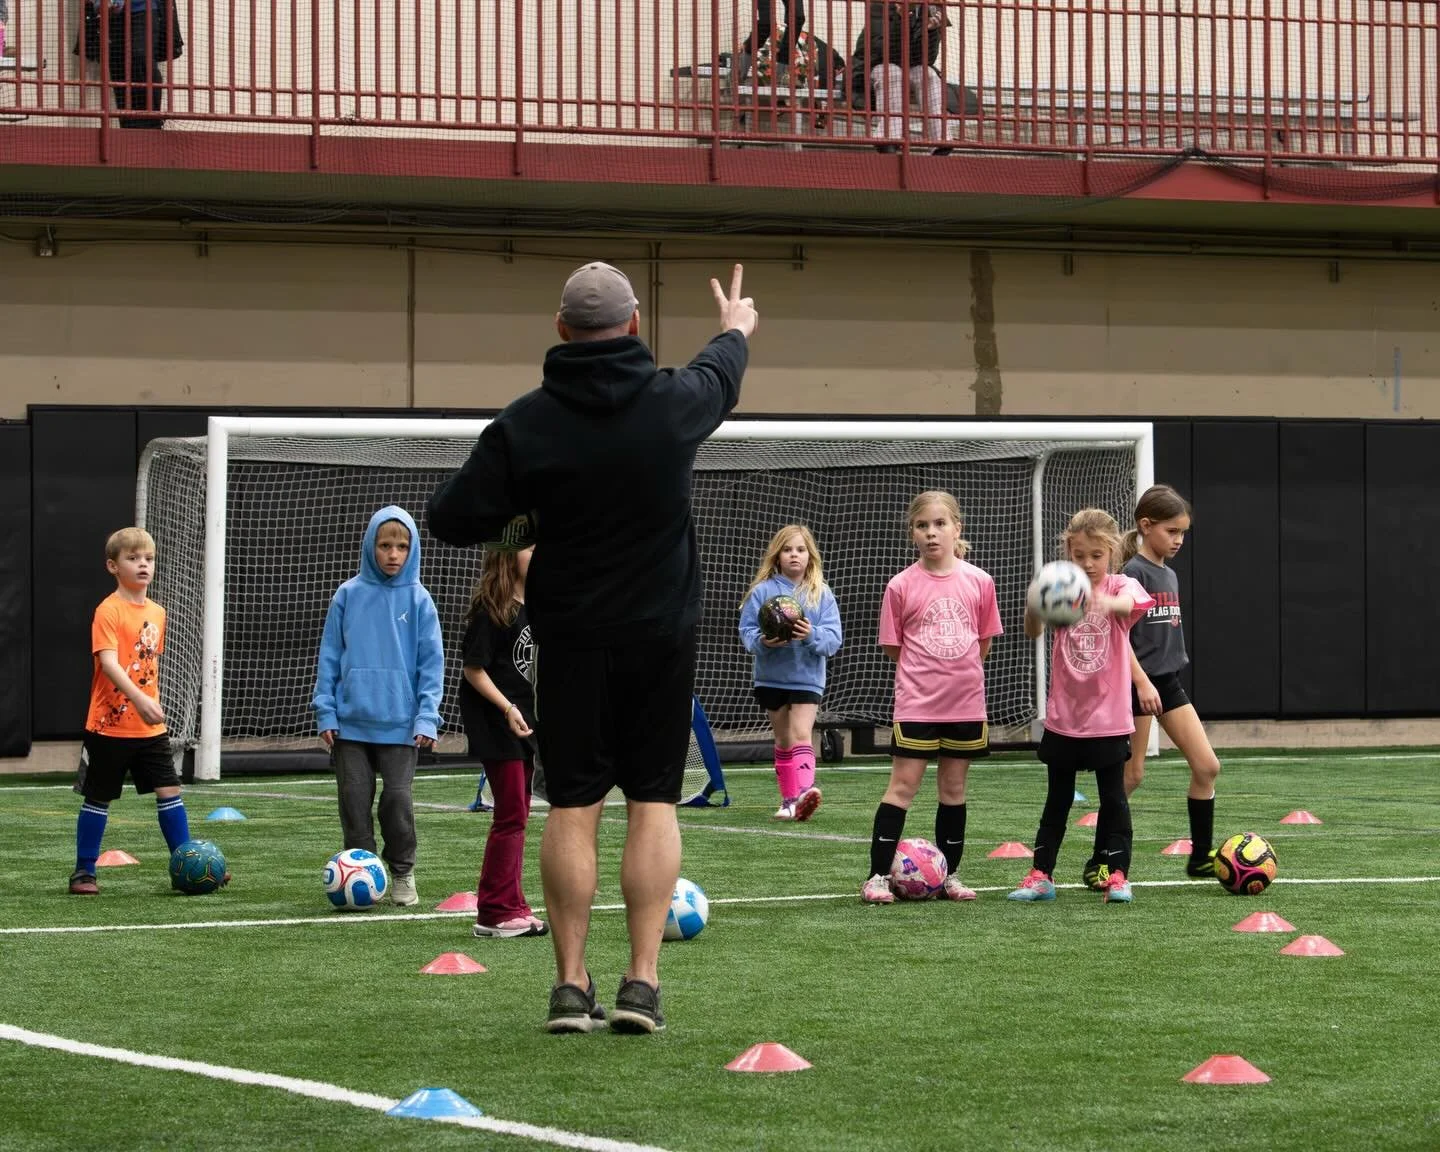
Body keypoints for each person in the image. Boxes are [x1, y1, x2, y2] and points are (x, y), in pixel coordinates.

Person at [428, 261, 756, 1035]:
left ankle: (571, 987)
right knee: (654, 801)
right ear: (635, 325)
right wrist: (735, 324)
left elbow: (449, 518)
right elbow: (722, 368)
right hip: (659, 639)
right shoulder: (673, 404)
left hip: (570, 640)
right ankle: (641, 982)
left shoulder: (526, 424)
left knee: (572, 807)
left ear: (560, 331)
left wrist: (528, 525)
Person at [1008, 508, 1154, 905]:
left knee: (1114, 800)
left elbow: (1129, 606)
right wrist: (1037, 603)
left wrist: (1098, 599)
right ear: (1068, 554)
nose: (1087, 564)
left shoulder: (1124, 584)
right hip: (1065, 719)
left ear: (1111, 553)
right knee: (1057, 799)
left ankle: (1118, 875)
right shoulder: (1060, 587)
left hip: (1108, 720)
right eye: (1079, 556)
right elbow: (1033, 630)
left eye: (1096, 555)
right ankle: (1041, 876)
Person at [862, 491, 1002, 904]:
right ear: (913, 534)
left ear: (957, 528)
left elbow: (983, 643)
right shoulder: (900, 585)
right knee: (902, 786)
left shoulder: (980, 581)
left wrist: (956, 673)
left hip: (966, 703)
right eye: (923, 525)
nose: (932, 532)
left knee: (953, 788)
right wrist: (927, 672)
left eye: (940, 524)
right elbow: (894, 646)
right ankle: (876, 876)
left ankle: (951, 875)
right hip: (917, 704)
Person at [1081, 485, 1220, 889]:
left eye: (1183, 533)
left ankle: (1200, 858)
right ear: (1146, 526)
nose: (1178, 540)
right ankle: (1099, 861)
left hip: (1169, 683)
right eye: (1171, 531)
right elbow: (1118, 637)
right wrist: (1140, 683)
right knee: (1131, 776)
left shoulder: (1169, 574)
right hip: (1134, 687)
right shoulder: (1131, 574)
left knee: (1207, 766)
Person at [313, 505, 444, 909]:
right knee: (354, 802)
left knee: (397, 802)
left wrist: (426, 715)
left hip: (402, 726)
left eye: (402, 546)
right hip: (350, 725)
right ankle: (364, 870)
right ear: (371, 545)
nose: (393, 554)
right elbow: (330, 656)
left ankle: (402, 871)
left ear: (412, 550)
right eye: (385, 545)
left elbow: (431, 665)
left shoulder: (419, 600)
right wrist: (326, 712)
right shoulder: (348, 594)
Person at [69, 527, 200, 895]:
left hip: (148, 730)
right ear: (113, 565)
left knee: (169, 789)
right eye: (132, 558)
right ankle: (83, 872)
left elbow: (145, 667)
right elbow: (110, 664)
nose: (143, 564)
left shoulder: (158, 612)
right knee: (99, 796)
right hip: (108, 726)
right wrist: (140, 701)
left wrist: (148, 702)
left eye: (148, 558)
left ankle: (186, 865)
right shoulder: (107, 610)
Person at [459, 545, 548, 938]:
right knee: (510, 814)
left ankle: (512, 902)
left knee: (519, 814)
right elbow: (473, 669)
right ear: (509, 554)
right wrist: (507, 708)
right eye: (531, 547)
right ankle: (494, 911)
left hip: (526, 725)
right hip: (496, 724)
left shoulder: (542, 606)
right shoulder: (492, 609)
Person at [738, 523, 843, 822]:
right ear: (777, 555)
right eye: (787, 550)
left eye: (800, 550)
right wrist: (763, 641)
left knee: (801, 734)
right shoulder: (763, 592)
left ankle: (805, 793)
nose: (794, 555)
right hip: (771, 677)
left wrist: (810, 635)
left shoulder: (820, 594)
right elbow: (746, 631)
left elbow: (833, 639)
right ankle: (788, 801)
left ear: (810, 556)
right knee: (783, 740)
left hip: (807, 677)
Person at [849, 1, 953, 155]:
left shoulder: (929, 9)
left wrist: (930, 31)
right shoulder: (879, 7)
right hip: (876, 65)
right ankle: (888, 138)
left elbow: (927, 59)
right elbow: (882, 51)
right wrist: (900, 18)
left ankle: (940, 141)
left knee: (928, 74)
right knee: (892, 72)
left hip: (909, 65)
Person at [77, 0, 185, 129]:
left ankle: (152, 122)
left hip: (143, 8)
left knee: (142, 61)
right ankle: (128, 125)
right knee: (118, 66)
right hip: (111, 12)